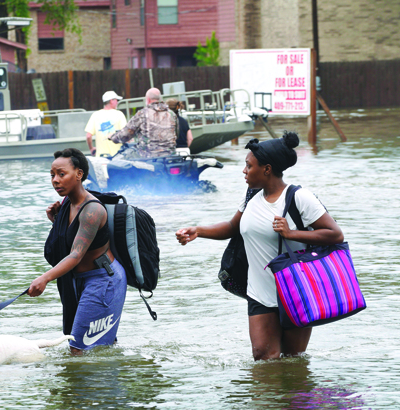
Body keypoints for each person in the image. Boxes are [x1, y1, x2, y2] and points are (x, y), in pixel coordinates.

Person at [175, 132, 344, 361]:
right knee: (263, 356)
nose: (244, 171)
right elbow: (233, 226)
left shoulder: (299, 197)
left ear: (266, 169)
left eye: (248, 166)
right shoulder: (252, 196)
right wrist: (198, 231)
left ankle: (292, 398)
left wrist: (291, 233)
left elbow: (335, 234)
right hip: (259, 293)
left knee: (293, 359)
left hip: (296, 291)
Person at [31, 148, 128, 355]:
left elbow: (76, 255)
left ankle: (96, 385)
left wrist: (44, 278)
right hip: (78, 281)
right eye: (52, 175)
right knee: (91, 346)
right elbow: (68, 241)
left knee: (78, 348)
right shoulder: (67, 204)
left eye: (61, 174)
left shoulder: (92, 210)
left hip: (103, 280)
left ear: (79, 174)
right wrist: (56, 221)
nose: (55, 180)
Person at [109, 87, 177, 157]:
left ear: (147, 99)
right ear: (160, 99)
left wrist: (113, 137)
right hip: (170, 156)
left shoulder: (142, 114)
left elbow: (126, 134)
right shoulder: (172, 114)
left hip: (149, 158)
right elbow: (176, 132)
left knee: (123, 158)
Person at [84, 90, 127, 157]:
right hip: (118, 156)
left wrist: (91, 148)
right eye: (116, 100)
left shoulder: (95, 115)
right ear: (111, 101)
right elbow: (126, 133)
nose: (117, 102)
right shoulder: (119, 114)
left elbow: (88, 136)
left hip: (101, 157)